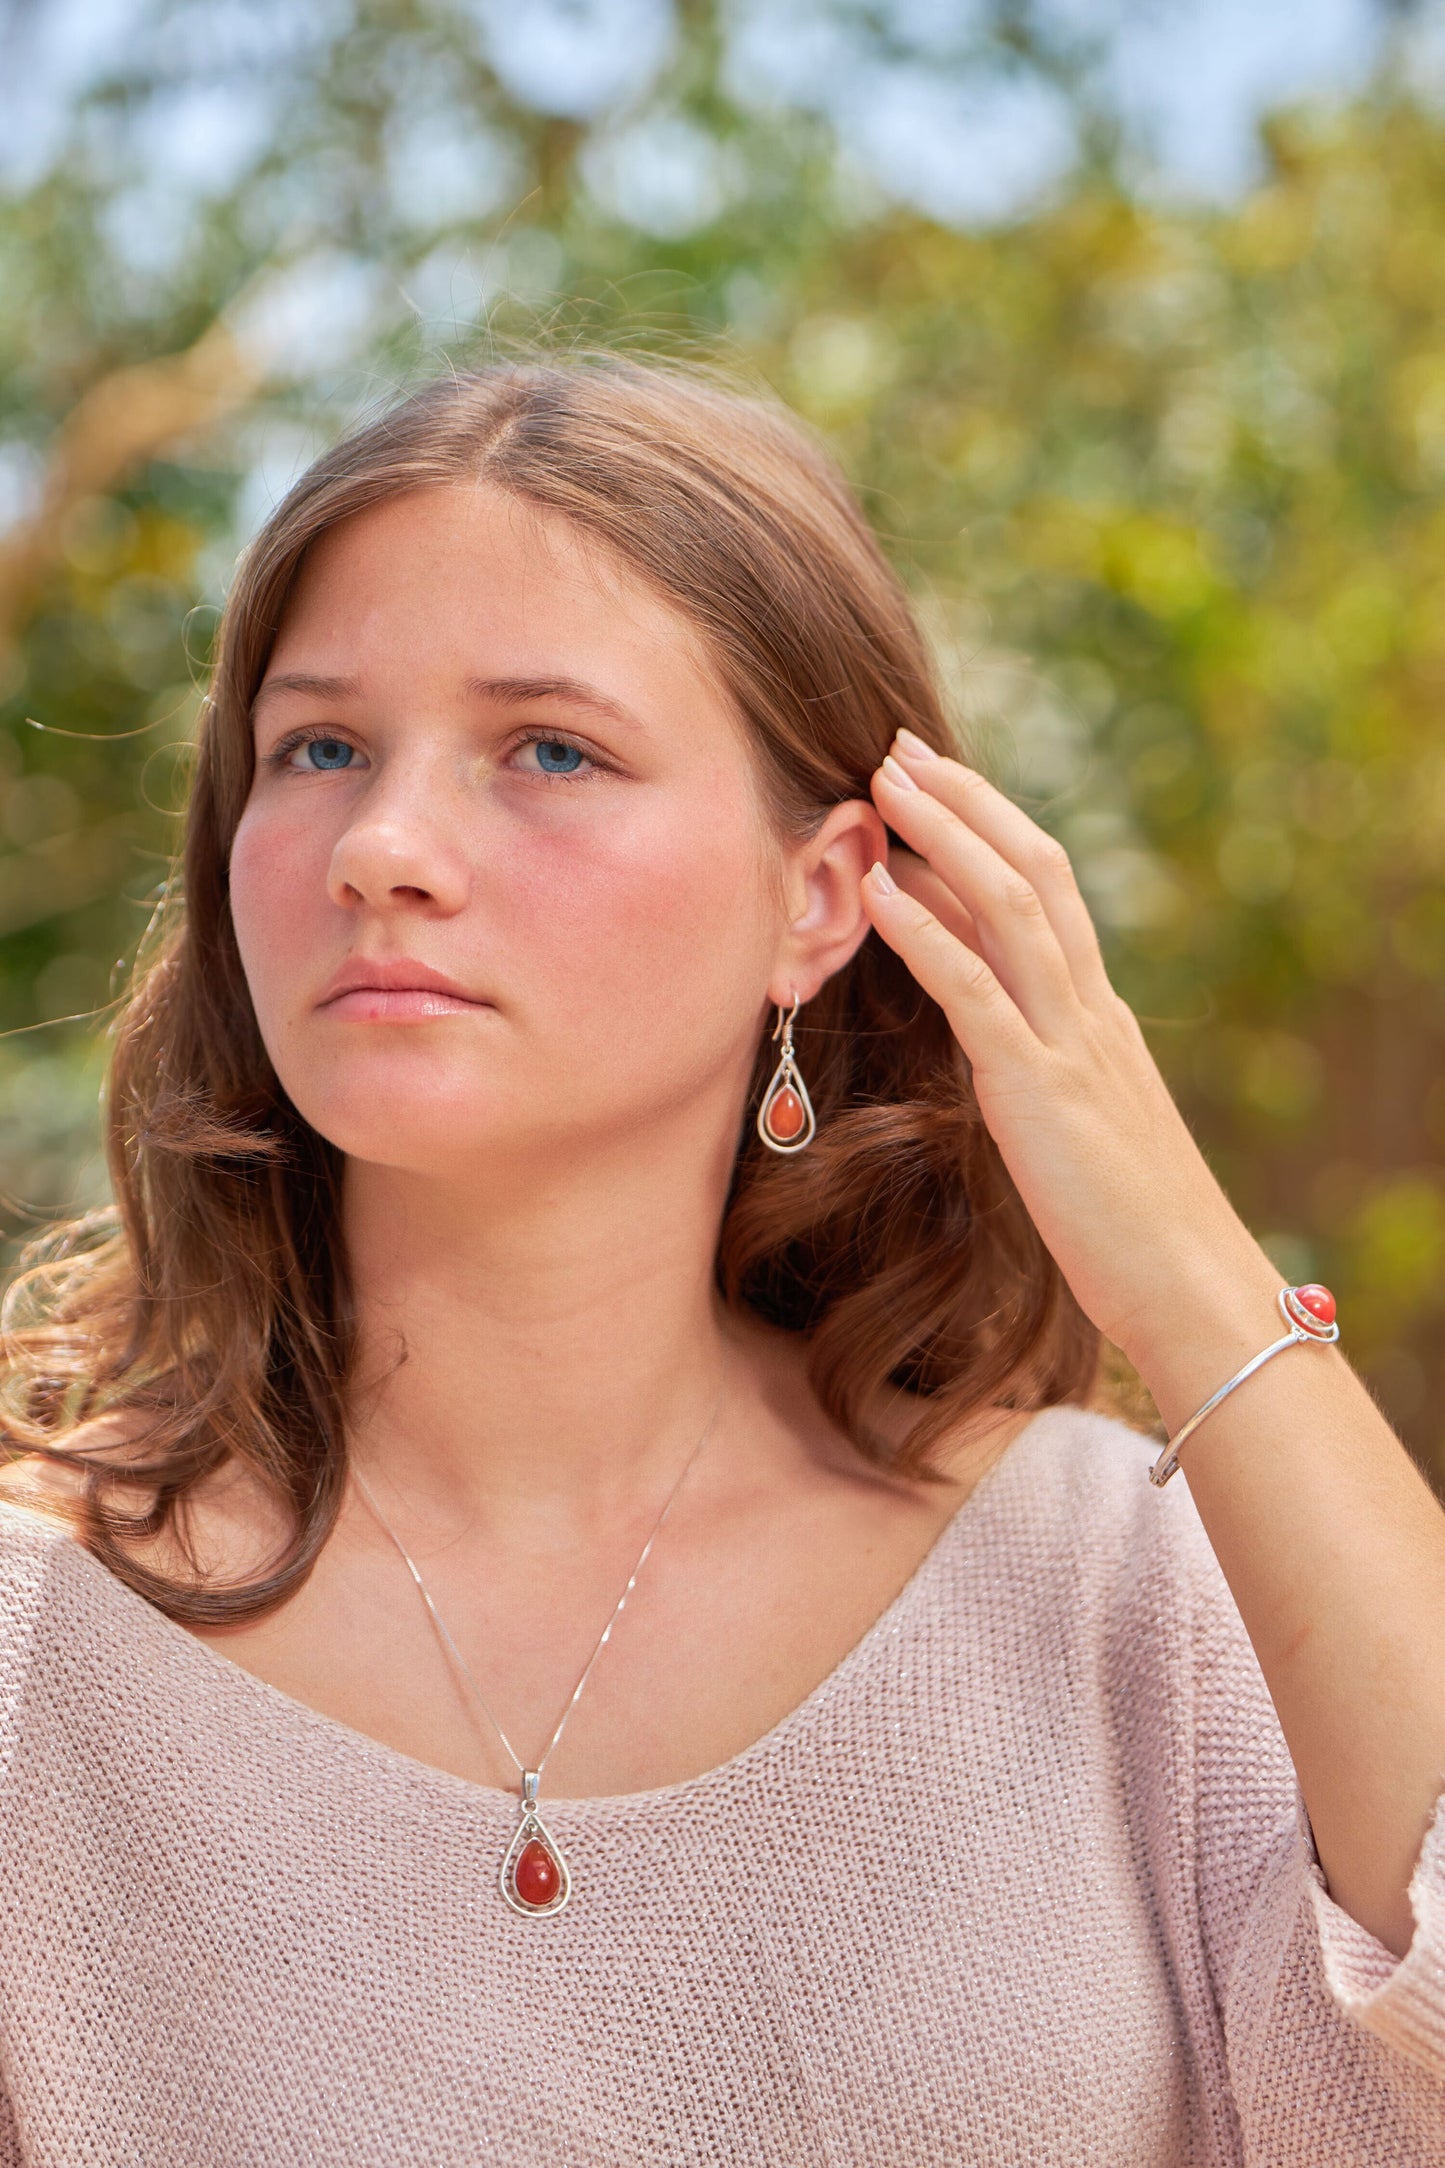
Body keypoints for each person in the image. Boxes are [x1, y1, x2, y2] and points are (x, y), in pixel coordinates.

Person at [0, 353, 1441, 2165]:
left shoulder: (1098, 1582)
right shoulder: (34, 1652)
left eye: (548, 749)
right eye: (321, 747)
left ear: (823, 895)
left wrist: (1178, 1257)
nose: (381, 848)